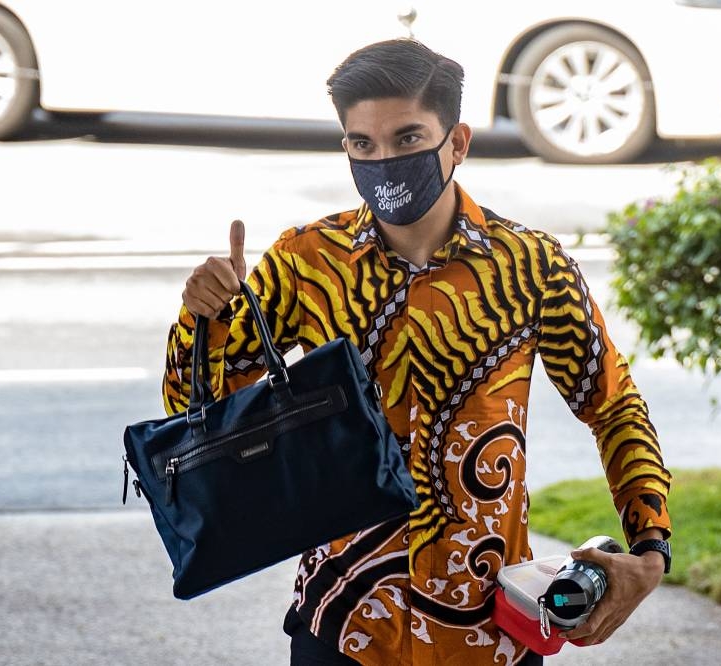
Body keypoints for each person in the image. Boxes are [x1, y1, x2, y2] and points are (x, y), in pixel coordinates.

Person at [164, 39, 672, 666]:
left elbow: (613, 405)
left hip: (490, 634)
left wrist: (649, 551)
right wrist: (203, 319)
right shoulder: (306, 260)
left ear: (457, 142)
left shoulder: (532, 267)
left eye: (407, 140)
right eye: (362, 145)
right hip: (343, 625)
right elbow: (200, 417)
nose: (383, 161)